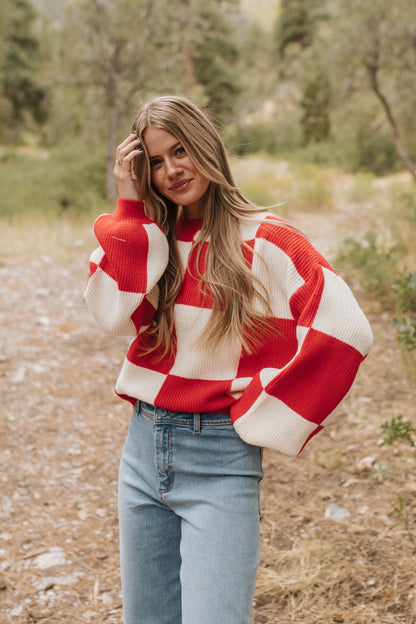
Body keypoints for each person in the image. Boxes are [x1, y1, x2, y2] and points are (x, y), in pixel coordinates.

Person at [84, 95, 373, 624]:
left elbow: (346, 329)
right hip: (143, 451)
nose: (171, 170)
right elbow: (110, 316)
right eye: (153, 161)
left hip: (221, 458)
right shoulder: (148, 239)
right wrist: (130, 205)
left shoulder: (268, 239)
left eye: (180, 151)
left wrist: (266, 416)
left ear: (206, 146)